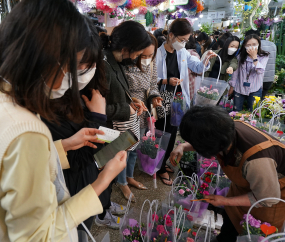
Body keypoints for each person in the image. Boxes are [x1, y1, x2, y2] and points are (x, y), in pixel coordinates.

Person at [0, 0, 126, 241]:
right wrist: (103, 181)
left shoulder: (10, 103)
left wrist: (61, 147)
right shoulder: (28, 130)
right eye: (74, 66)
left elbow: (13, 172)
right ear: (43, 57)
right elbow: (39, 235)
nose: (75, 79)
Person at [42, 22, 126, 236]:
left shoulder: (78, 90)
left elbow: (75, 147)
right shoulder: (42, 105)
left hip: (85, 186)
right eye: (77, 64)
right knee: (76, 232)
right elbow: (76, 158)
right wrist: (98, 117)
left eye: (89, 64)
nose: (83, 71)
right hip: (71, 191)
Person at [170, 105, 285, 242]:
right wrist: (183, 146)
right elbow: (207, 139)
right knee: (230, 227)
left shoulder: (257, 160)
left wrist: (226, 201)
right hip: (244, 188)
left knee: (252, 234)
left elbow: (267, 198)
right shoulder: (222, 131)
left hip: (268, 198)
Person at [156, 18, 216, 185]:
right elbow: (152, 78)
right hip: (162, 99)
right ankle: (159, 168)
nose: (183, 43)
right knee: (163, 133)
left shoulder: (182, 53)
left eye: (186, 40)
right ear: (171, 35)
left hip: (178, 99)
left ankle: (163, 163)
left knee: (173, 132)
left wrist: (205, 59)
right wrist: (166, 81)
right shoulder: (157, 54)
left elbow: (198, 68)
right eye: (181, 40)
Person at [100, 21, 151, 202]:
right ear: (127, 48)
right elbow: (96, 110)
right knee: (103, 173)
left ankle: (106, 206)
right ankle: (103, 212)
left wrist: (131, 99)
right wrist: (126, 109)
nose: (139, 56)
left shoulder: (116, 61)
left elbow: (116, 92)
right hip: (106, 131)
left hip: (113, 130)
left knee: (113, 166)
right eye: (139, 51)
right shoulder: (103, 64)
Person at [122, 32, 163, 191]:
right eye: (142, 55)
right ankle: (121, 183)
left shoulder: (151, 63)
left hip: (144, 109)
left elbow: (153, 84)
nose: (146, 58)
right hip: (128, 110)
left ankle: (129, 176)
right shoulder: (124, 64)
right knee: (124, 149)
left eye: (150, 55)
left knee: (135, 147)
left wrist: (154, 97)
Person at [228, 34, 269, 111]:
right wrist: (231, 86)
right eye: (248, 45)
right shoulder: (240, 56)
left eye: (254, 44)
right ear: (244, 46)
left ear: (258, 44)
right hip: (239, 88)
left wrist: (254, 57)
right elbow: (235, 73)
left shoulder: (264, 56)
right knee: (236, 111)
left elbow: (260, 71)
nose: (251, 47)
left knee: (253, 112)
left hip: (255, 89)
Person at [245, 29, 277, 98]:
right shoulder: (272, 45)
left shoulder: (255, 47)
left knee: (251, 102)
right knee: (259, 101)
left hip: (256, 78)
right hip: (269, 78)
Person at [185, 35, 201, 99]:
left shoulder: (191, 53)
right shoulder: (192, 52)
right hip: (189, 83)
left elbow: (199, 70)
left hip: (189, 82)